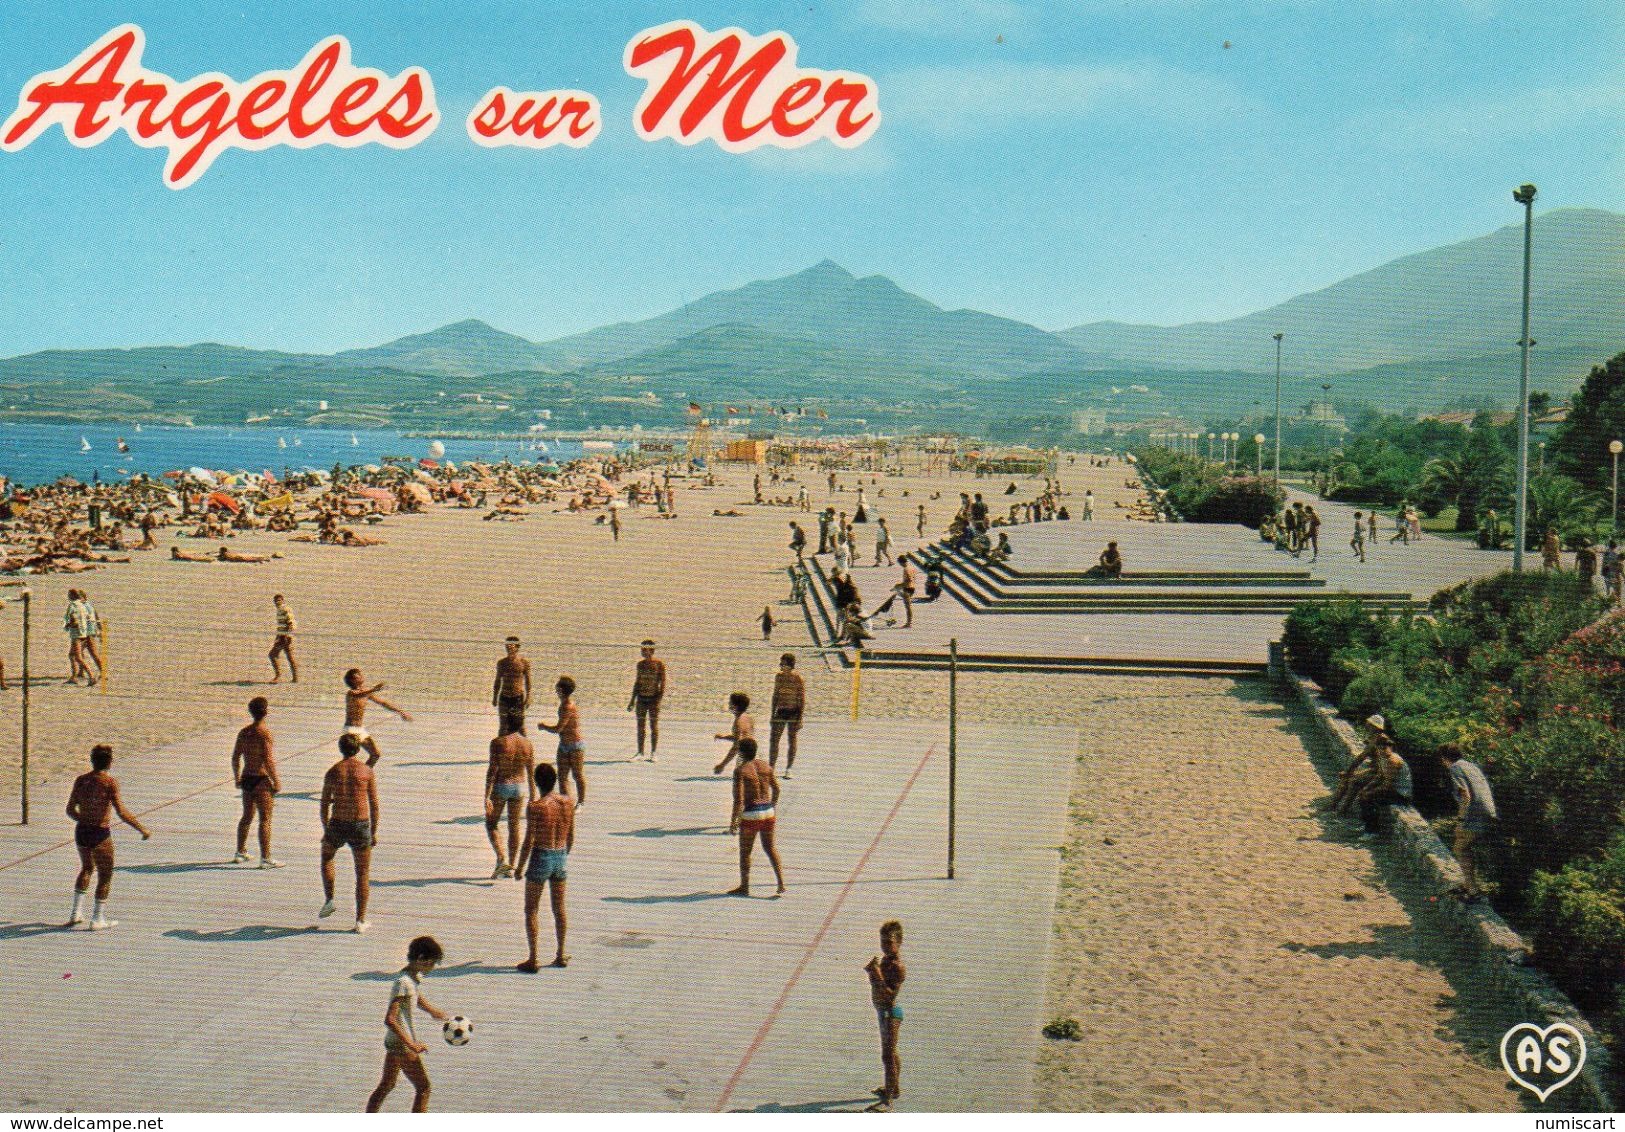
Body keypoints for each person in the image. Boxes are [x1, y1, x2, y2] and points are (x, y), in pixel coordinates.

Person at [65, 744, 151, 930]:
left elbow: (70, 810)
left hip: (82, 831)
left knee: (86, 868)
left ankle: (75, 913)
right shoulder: (110, 783)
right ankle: (97, 919)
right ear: (110, 762)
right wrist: (141, 829)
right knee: (105, 875)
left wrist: (84, 819)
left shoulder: (81, 780)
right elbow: (121, 811)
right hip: (99, 833)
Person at [365, 936, 449, 1113]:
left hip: (393, 1042)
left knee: (386, 1085)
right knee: (423, 1088)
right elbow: (390, 1019)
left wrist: (432, 1011)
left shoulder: (410, 978)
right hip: (402, 1045)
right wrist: (412, 1044)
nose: (432, 968)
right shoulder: (403, 982)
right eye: (431, 963)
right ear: (421, 959)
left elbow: (414, 997)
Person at [515, 762, 575, 971]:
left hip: (541, 856)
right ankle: (560, 953)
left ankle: (533, 958)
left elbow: (528, 841)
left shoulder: (536, 807)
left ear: (536, 782)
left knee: (531, 909)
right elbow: (571, 835)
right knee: (559, 908)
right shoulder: (568, 802)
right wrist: (562, 854)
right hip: (560, 855)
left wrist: (519, 867)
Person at [319, 733, 379, 932]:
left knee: (327, 857)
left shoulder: (333, 771)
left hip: (337, 823)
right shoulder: (366, 771)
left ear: (340, 748)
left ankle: (329, 899)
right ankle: (360, 921)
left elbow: (324, 804)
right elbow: (374, 804)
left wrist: (325, 827)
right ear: (358, 749)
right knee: (362, 873)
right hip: (360, 824)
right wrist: (374, 831)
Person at [1439, 745, 1497, 904]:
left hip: (1476, 814)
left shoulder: (1455, 768)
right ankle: (1468, 884)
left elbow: (1465, 796)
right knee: (1464, 847)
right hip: (1487, 811)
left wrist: (1460, 822)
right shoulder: (1470, 765)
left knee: (1460, 848)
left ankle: (1473, 891)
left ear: (1444, 758)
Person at [729, 739, 785, 897]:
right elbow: (777, 789)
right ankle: (781, 883)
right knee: (770, 848)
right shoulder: (766, 766)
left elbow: (738, 799)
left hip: (751, 812)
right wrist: (772, 805)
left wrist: (734, 821)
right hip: (768, 811)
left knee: (745, 852)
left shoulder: (741, 771)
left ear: (741, 753)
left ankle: (744, 886)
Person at [232, 696, 282, 868]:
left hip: (247, 777)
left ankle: (240, 851)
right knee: (265, 819)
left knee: (247, 816)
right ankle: (266, 857)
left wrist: (237, 777)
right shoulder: (265, 733)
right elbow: (268, 760)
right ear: (266, 712)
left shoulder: (244, 732)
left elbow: (236, 757)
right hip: (261, 779)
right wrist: (276, 781)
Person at [484, 718, 536, 878]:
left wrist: (486, 796)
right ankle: (511, 866)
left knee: (492, 824)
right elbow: (531, 772)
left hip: (501, 785)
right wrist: (533, 796)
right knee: (514, 827)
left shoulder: (498, 743)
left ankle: (501, 858)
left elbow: (492, 771)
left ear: (506, 724)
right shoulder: (527, 744)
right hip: (519, 787)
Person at [864, 921, 906, 1111]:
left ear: (899, 942)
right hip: (883, 1011)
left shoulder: (897, 966)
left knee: (887, 1055)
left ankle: (887, 1100)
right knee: (892, 1052)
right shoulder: (886, 960)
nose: (885, 946)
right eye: (883, 942)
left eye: (889, 942)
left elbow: (890, 995)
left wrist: (877, 974)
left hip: (890, 1013)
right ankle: (894, 1088)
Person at [344, 667, 413, 767]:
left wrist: (400, 711)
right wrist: (374, 689)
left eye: (361, 675)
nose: (362, 677)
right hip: (350, 730)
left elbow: (383, 703)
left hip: (360, 729)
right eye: (358, 677)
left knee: (375, 754)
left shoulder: (365, 693)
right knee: (349, 760)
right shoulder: (351, 693)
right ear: (352, 680)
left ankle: (363, 776)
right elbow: (359, 694)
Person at [536, 675, 585, 807]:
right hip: (564, 744)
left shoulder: (568, 706)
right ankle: (567, 803)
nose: (556, 690)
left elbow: (559, 728)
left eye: (558, 688)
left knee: (577, 775)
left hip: (575, 745)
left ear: (562, 690)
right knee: (562, 777)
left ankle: (580, 802)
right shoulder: (564, 704)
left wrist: (544, 726)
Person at [1356, 737, 1413, 840]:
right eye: (1380, 748)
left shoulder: (1393, 760)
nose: (1383, 750)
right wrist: (1366, 788)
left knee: (1369, 798)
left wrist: (1370, 792)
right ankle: (1368, 825)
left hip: (1400, 794)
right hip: (1392, 790)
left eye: (1385, 748)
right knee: (1362, 794)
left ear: (1390, 748)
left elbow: (1388, 785)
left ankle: (1372, 831)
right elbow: (1380, 776)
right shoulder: (1382, 757)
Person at [628, 639, 666, 762]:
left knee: (653, 726)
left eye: (645, 649)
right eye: (642, 649)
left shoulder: (659, 664)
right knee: (640, 726)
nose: (643, 651)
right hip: (641, 698)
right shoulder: (640, 665)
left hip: (653, 699)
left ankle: (653, 752)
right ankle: (640, 752)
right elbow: (637, 682)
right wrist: (632, 700)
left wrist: (659, 698)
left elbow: (663, 682)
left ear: (652, 651)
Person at [768, 653, 805, 776]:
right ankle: (771, 767)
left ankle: (789, 768)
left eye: (783, 664)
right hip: (781, 711)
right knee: (774, 740)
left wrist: (800, 718)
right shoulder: (778, 677)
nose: (780, 666)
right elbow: (775, 695)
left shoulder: (798, 678)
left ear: (789, 665)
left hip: (794, 712)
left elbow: (801, 699)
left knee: (792, 740)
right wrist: (772, 714)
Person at [713, 690, 755, 786]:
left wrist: (722, 765)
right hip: (753, 751)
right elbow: (743, 737)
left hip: (744, 756)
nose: (728, 704)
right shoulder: (748, 718)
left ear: (735, 706)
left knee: (740, 783)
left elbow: (736, 746)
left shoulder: (738, 722)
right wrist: (724, 737)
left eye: (730, 703)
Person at [492, 636, 531, 734]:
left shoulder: (524, 662)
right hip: (504, 698)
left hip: (517, 698)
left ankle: (525, 748)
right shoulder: (502, 663)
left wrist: (529, 697)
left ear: (517, 647)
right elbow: (498, 680)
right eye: (507, 644)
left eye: (511, 644)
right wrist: (495, 697)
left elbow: (528, 681)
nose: (508, 646)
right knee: (503, 727)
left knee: (520, 726)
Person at [64, 588, 103, 686]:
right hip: (90, 632)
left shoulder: (79, 607)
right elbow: (97, 618)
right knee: (88, 653)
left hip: (84, 633)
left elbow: (79, 620)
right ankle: (82, 673)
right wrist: (100, 630)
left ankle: (77, 675)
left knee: (76, 655)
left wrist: (69, 625)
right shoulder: (90, 606)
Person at [268, 594, 298, 684]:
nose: (277, 602)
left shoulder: (285, 609)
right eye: (276, 601)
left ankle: (278, 676)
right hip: (282, 636)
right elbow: (282, 625)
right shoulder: (279, 610)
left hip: (285, 637)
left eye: (279, 600)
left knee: (273, 655)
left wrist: (287, 635)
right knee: (289, 656)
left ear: (282, 600)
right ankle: (295, 677)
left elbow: (291, 623)